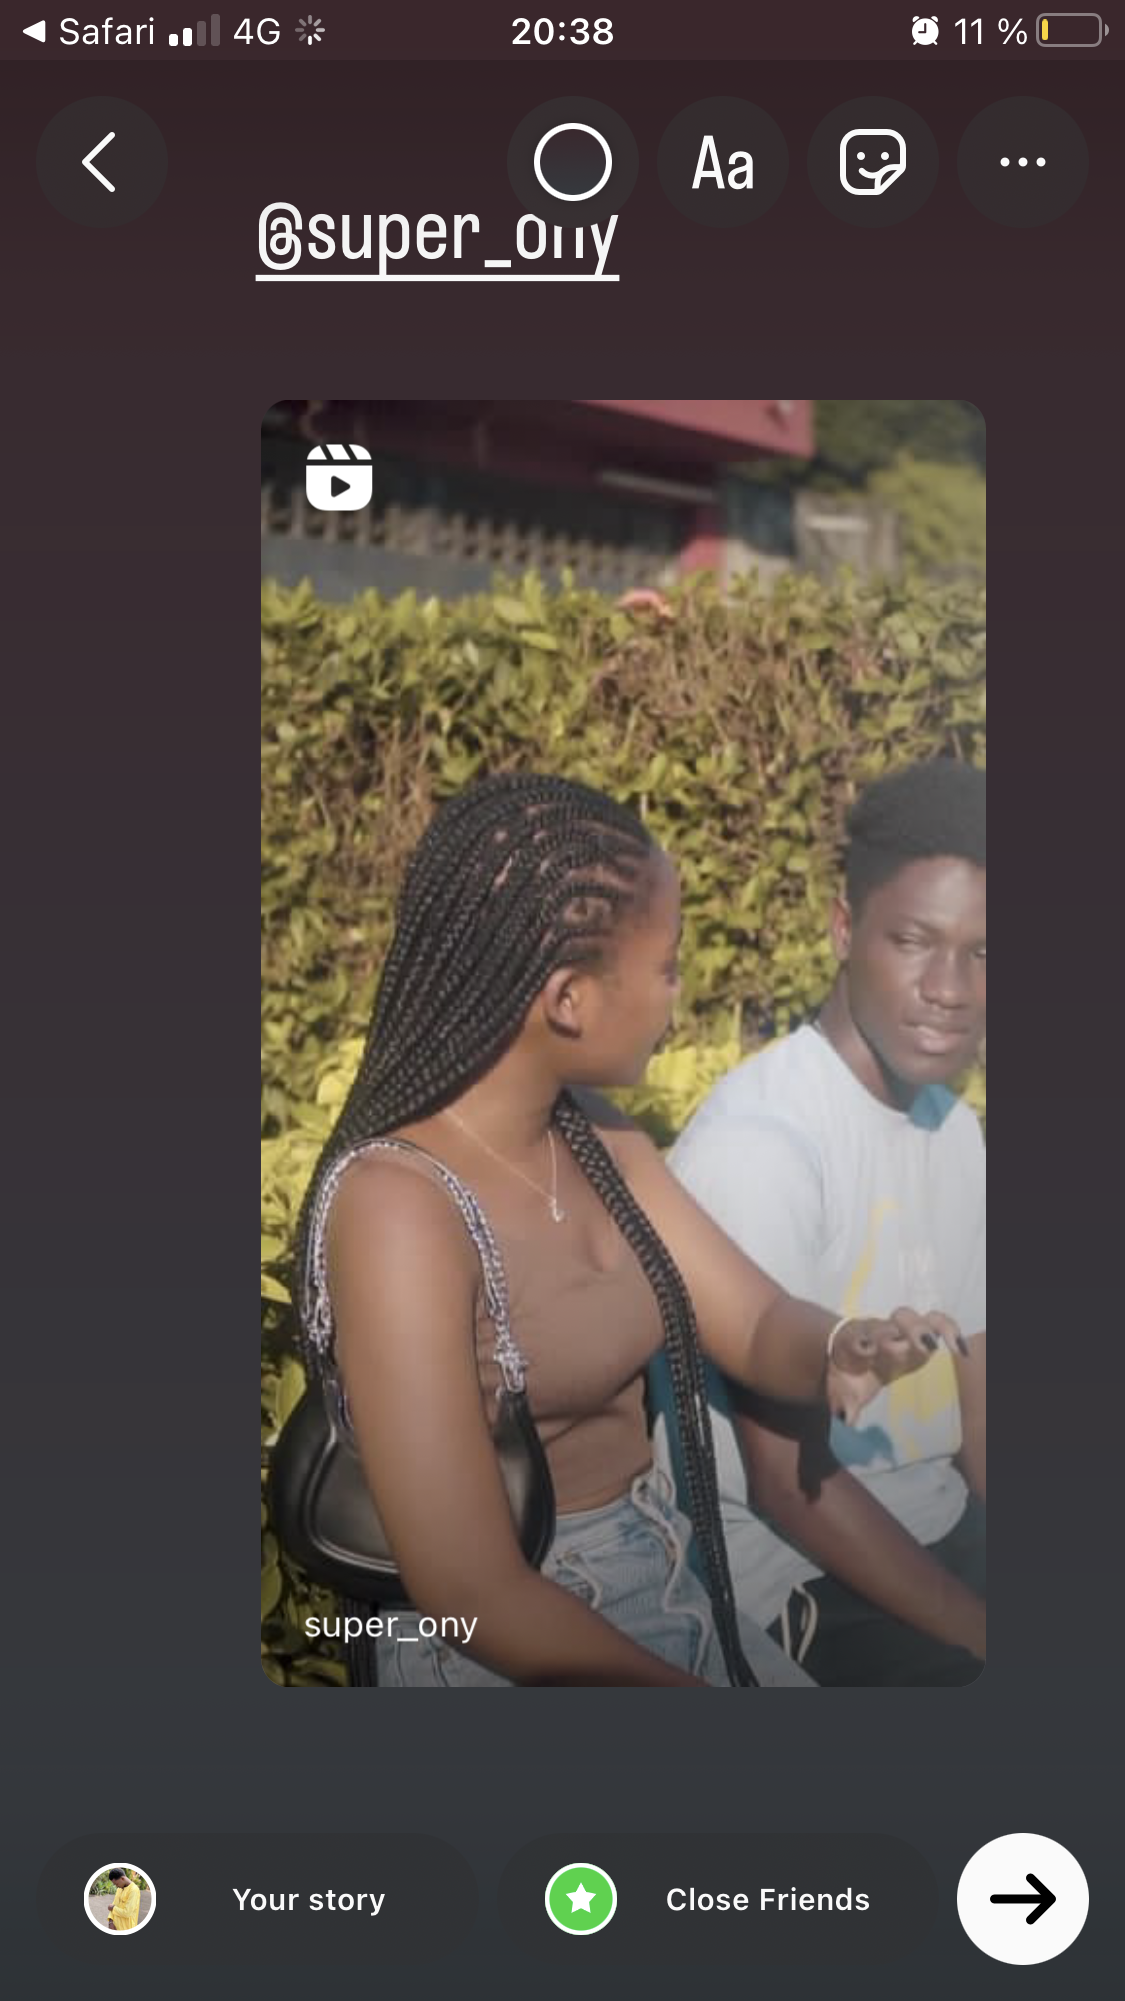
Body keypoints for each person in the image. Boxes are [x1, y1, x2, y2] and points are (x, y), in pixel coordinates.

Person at [295, 771, 964, 1688]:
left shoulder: (599, 1139)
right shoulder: (398, 1208)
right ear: (568, 998)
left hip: (663, 1566)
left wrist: (839, 1347)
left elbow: (756, 1323)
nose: (678, 997)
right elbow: (469, 1591)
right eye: (666, 966)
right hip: (496, 1639)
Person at [654, 759, 986, 1685]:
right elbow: (787, 1484)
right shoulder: (760, 1145)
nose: (950, 987)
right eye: (913, 941)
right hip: (796, 1581)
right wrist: (982, 1627)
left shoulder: (954, 1129)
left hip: (935, 1529)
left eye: (984, 952)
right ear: (844, 929)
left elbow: (978, 1398)